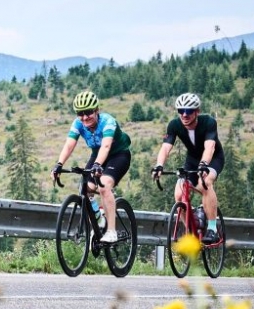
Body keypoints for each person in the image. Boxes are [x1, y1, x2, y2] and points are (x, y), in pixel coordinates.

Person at [50, 91, 132, 243]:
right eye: (80, 113)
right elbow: (69, 144)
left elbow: (106, 146)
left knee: (103, 186)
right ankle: (98, 218)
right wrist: (59, 164)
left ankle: (112, 231)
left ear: (97, 110)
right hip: (97, 154)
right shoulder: (78, 124)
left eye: (88, 112)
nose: (84, 117)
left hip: (118, 155)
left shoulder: (108, 121)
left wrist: (97, 166)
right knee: (85, 187)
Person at [150, 93, 224, 244]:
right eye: (181, 110)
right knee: (178, 194)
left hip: (213, 158)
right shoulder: (174, 125)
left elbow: (209, 147)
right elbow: (165, 148)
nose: (184, 114)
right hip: (191, 161)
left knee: (205, 182)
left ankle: (212, 228)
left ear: (197, 111)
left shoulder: (208, 122)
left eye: (189, 111)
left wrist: (204, 164)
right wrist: (159, 165)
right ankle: (191, 229)